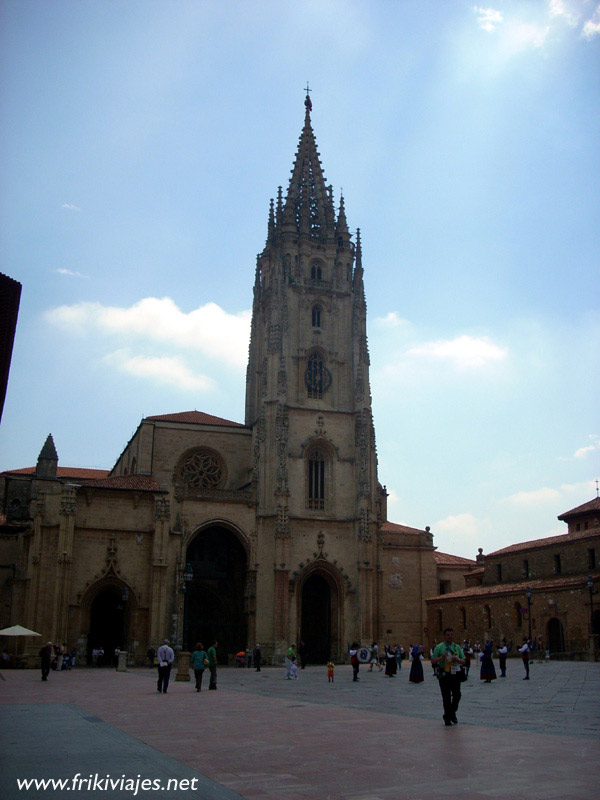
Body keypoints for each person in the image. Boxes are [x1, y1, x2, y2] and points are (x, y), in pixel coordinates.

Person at [431, 628, 466, 726]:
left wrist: (458, 660)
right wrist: (442, 657)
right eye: (448, 635)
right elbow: (433, 660)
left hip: (455, 673)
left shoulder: (457, 647)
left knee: (457, 695)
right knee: (446, 697)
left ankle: (451, 713)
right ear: (444, 636)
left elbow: (464, 660)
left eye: (451, 634)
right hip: (444, 674)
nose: (450, 636)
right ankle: (448, 718)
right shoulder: (439, 647)